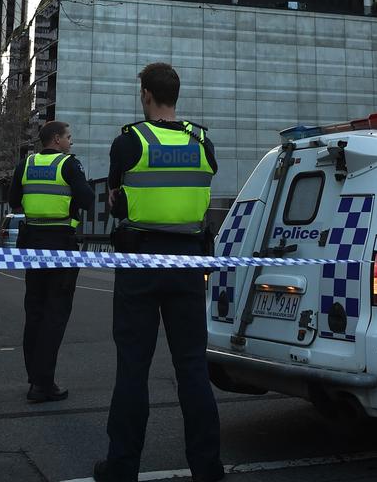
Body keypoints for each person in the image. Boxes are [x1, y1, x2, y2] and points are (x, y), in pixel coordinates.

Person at [93, 62, 223, 482]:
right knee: (192, 368)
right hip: (189, 262)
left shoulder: (129, 141)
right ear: (175, 95)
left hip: (140, 261)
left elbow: (113, 199)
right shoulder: (202, 141)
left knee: (133, 367)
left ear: (146, 95)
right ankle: (208, 467)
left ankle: (122, 467)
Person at [9, 119, 95, 403]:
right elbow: (87, 200)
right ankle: (43, 384)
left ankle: (35, 377)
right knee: (54, 315)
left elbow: (13, 201)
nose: (71, 141)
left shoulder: (26, 164)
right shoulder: (69, 164)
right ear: (56, 140)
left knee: (34, 312)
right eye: (68, 136)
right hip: (60, 246)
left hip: (32, 244)